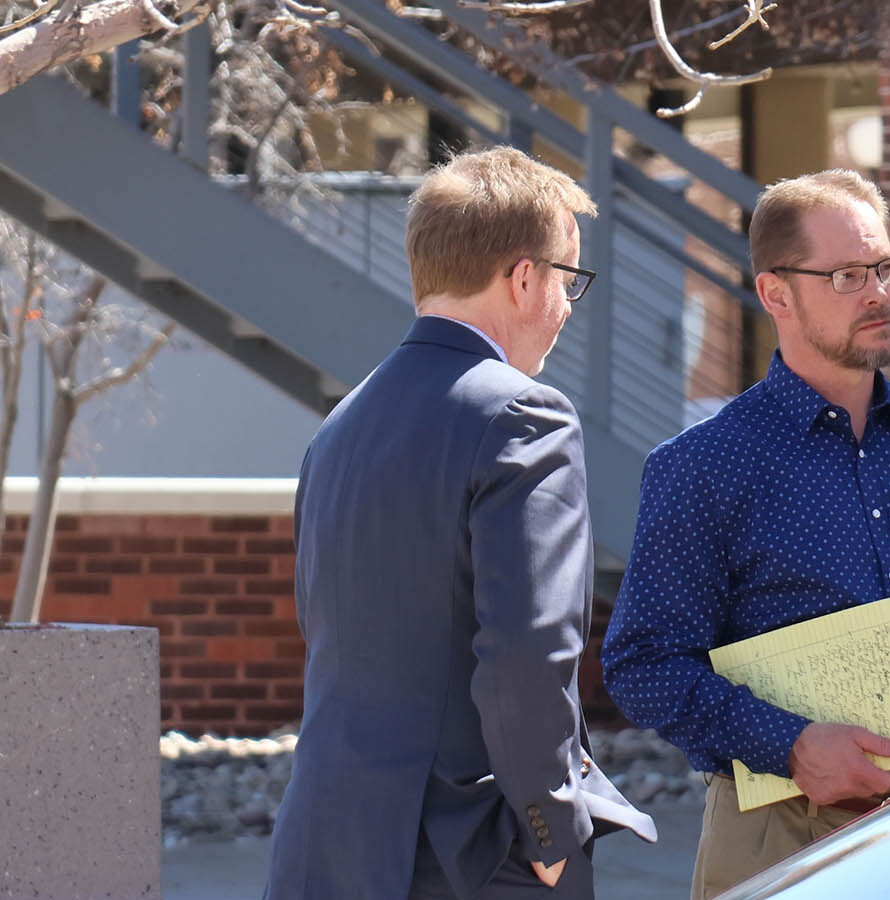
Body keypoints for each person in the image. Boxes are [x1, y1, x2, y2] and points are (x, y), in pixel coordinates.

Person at [601, 169, 890, 899]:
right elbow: (645, 663)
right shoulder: (703, 468)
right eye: (844, 276)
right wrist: (791, 746)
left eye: (884, 267)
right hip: (784, 835)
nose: (877, 293)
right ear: (776, 294)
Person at [265, 147, 655, 900]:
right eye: (568, 279)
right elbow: (528, 650)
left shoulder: (339, 427)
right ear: (522, 277)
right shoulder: (523, 413)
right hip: (470, 856)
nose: (569, 306)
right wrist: (550, 828)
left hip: (325, 845)